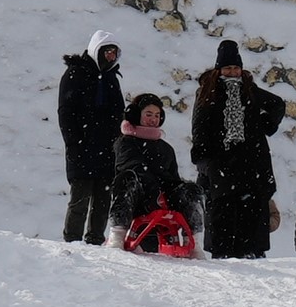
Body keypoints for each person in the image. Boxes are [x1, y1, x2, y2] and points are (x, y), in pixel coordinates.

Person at [188, 39, 288, 258]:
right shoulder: (207, 93)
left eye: (235, 68)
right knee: (222, 215)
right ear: (219, 69)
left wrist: (265, 126)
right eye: (228, 68)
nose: (232, 72)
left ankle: (251, 255)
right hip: (221, 165)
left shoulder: (249, 90)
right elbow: (199, 131)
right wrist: (207, 164)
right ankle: (223, 259)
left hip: (251, 164)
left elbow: (277, 104)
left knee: (252, 214)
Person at [53, 33, 125, 243]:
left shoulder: (111, 77)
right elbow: (66, 113)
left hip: (107, 148)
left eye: (114, 53)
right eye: (107, 52)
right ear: (97, 50)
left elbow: (118, 111)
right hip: (82, 146)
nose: (110, 57)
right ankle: (73, 240)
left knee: (103, 198)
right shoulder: (75, 74)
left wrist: (117, 140)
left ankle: (95, 239)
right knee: (80, 197)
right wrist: (74, 142)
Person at [111, 92, 196, 253]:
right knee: (127, 179)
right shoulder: (125, 142)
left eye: (157, 115)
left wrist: (177, 191)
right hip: (137, 197)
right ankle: (117, 234)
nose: (153, 119)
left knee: (190, 190)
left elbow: (173, 178)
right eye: (148, 114)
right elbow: (132, 166)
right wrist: (152, 187)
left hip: (163, 198)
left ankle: (193, 242)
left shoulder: (166, 148)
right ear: (137, 115)